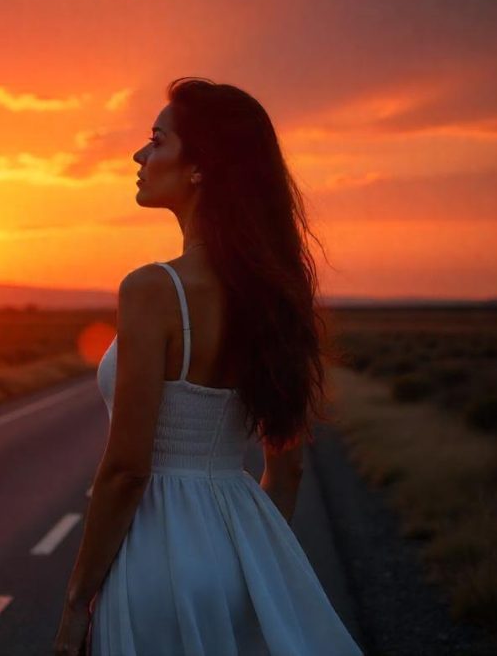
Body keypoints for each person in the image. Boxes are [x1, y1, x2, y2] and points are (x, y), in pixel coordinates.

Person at [52, 78, 364, 655]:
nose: (139, 155)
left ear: (200, 168)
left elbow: (126, 470)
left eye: (157, 140)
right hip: (243, 549)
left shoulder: (152, 288)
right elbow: (287, 468)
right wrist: (249, 562)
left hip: (155, 556)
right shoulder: (272, 293)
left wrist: (76, 600)